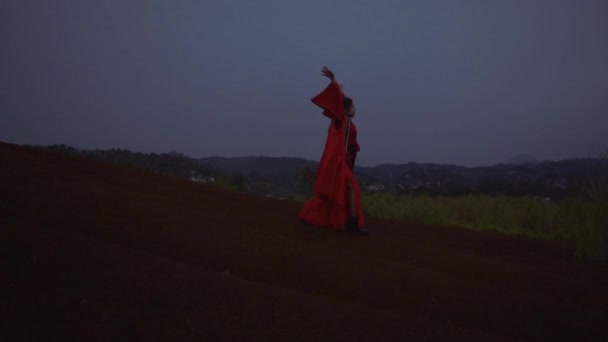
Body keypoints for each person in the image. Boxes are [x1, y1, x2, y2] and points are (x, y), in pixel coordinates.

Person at [299, 66, 368, 235]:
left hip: (344, 162)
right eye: (352, 107)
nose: (355, 109)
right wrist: (334, 81)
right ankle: (352, 225)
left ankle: (343, 222)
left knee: (340, 194)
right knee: (353, 189)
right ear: (345, 110)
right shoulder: (341, 120)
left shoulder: (347, 123)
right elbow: (338, 101)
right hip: (339, 163)